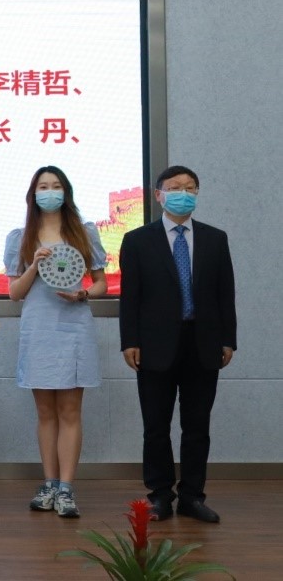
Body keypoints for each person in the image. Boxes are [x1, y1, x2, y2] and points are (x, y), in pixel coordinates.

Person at [120, 166, 236, 523]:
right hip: (153, 346)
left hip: (203, 343)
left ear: (197, 194)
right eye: (175, 188)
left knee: (197, 427)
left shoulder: (215, 239)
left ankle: (192, 497)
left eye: (190, 188)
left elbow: (225, 294)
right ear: (159, 195)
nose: (183, 193)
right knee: (156, 426)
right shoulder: (137, 240)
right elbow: (130, 297)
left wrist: (228, 339)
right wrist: (130, 341)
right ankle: (159, 496)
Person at [4, 166, 108, 519]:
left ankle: (66, 488)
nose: (50, 191)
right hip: (39, 329)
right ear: (33, 194)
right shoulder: (21, 237)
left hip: (74, 327)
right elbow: (15, 292)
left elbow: (100, 283)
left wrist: (83, 294)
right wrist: (34, 265)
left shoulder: (84, 231)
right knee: (46, 412)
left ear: (66, 192)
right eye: (43, 186)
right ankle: (48, 483)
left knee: (70, 411)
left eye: (56, 186)